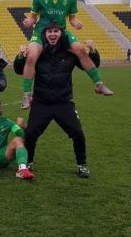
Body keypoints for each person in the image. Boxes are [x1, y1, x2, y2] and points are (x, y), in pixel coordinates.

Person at [13, 22, 100, 178]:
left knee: (78, 133)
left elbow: (91, 65)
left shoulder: (70, 52)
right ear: (44, 34)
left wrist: (93, 51)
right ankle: (28, 162)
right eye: (49, 31)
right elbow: (19, 70)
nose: (52, 34)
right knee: (31, 134)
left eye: (56, 31)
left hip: (64, 102)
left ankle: (82, 165)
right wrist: (20, 56)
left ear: (61, 34)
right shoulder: (37, 51)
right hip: (42, 102)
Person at [21, 0, 113, 109]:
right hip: (41, 31)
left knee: (80, 50)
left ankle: (99, 84)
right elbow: (33, 17)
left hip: (60, 31)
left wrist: (76, 23)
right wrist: (30, 21)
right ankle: (27, 95)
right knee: (31, 55)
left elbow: (72, 19)